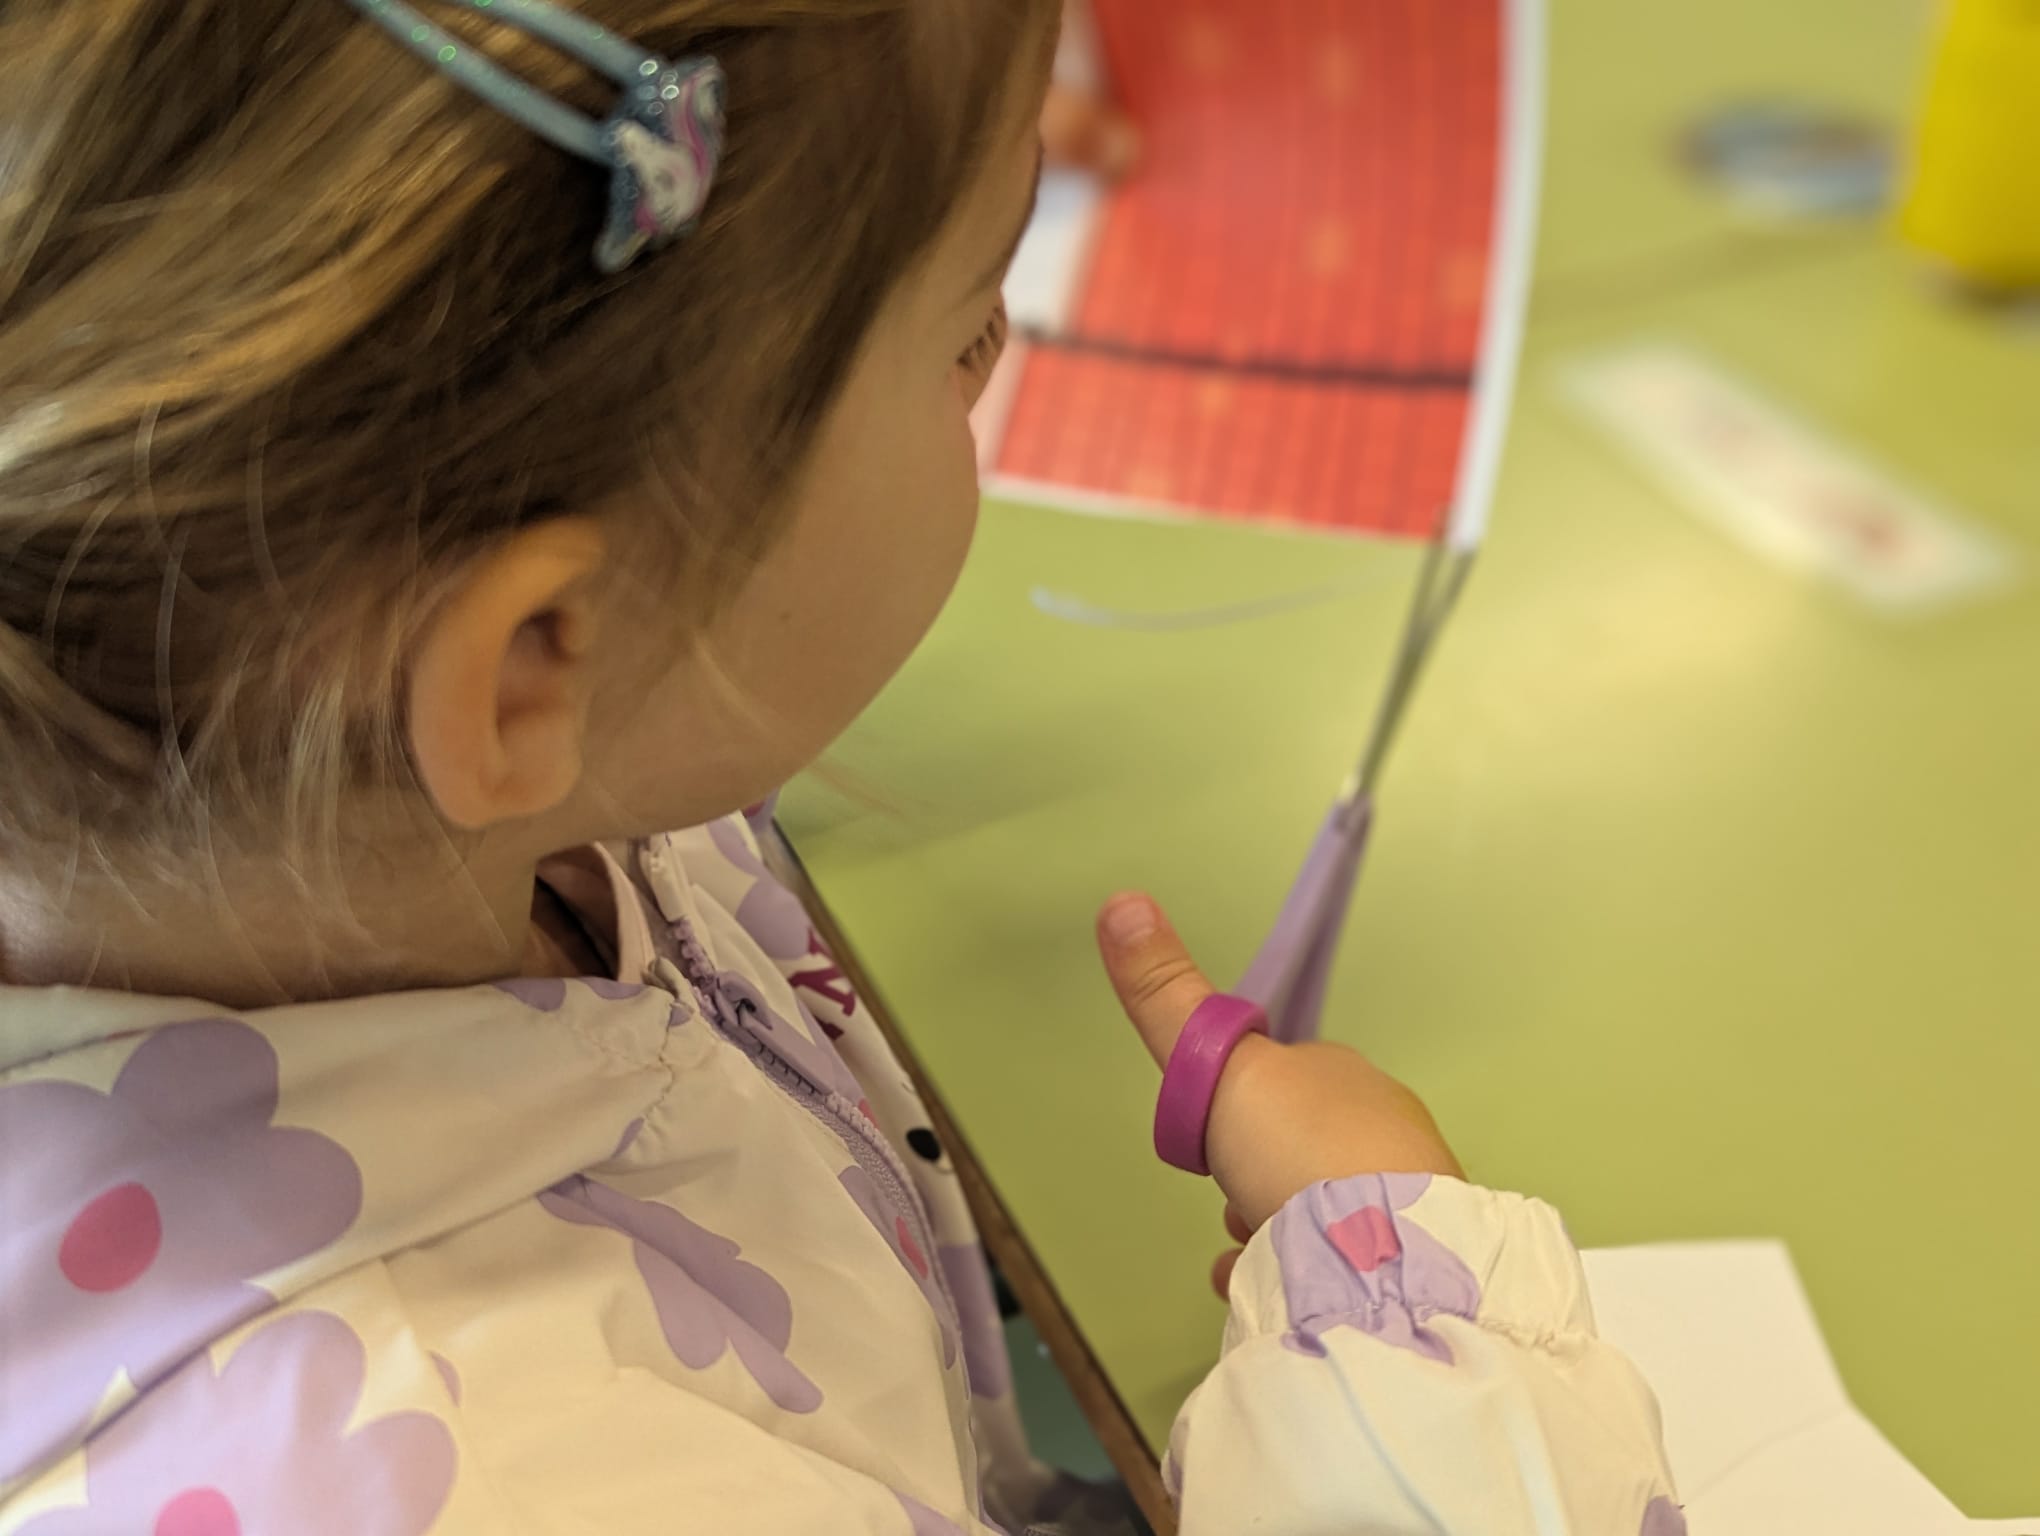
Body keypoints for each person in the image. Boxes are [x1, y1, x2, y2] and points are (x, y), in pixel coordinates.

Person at [0, 1, 1684, 1531]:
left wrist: (889, 143)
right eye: (967, 331)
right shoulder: (532, 1478)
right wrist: (1417, 1342)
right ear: (529, 666)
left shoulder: (281, 773)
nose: (1003, 356)